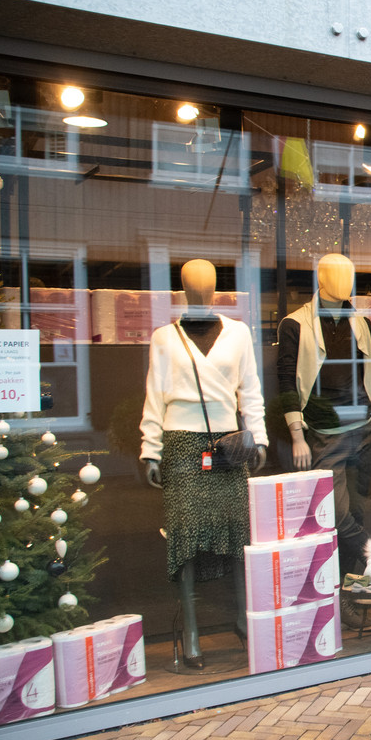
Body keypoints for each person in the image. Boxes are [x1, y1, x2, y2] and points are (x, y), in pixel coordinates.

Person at [140, 259, 268, 668]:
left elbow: (250, 391)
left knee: (237, 534)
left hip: (227, 446)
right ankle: (192, 629)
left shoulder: (238, 334)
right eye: (194, 287)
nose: (201, 293)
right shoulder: (164, 337)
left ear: (216, 290)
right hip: (180, 445)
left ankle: (243, 618)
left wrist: (259, 438)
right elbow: (154, 396)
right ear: (183, 291)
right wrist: (150, 447)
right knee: (188, 537)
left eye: (208, 286)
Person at [276, 252, 371, 593]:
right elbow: (286, 381)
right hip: (325, 434)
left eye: (350, 275)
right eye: (337, 275)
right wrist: (297, 434)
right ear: (320, 279)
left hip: (363, 430)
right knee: (335, 516)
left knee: (357, 512)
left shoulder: (361, 323)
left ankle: (349, 593)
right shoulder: (295, 324)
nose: (346, 281)